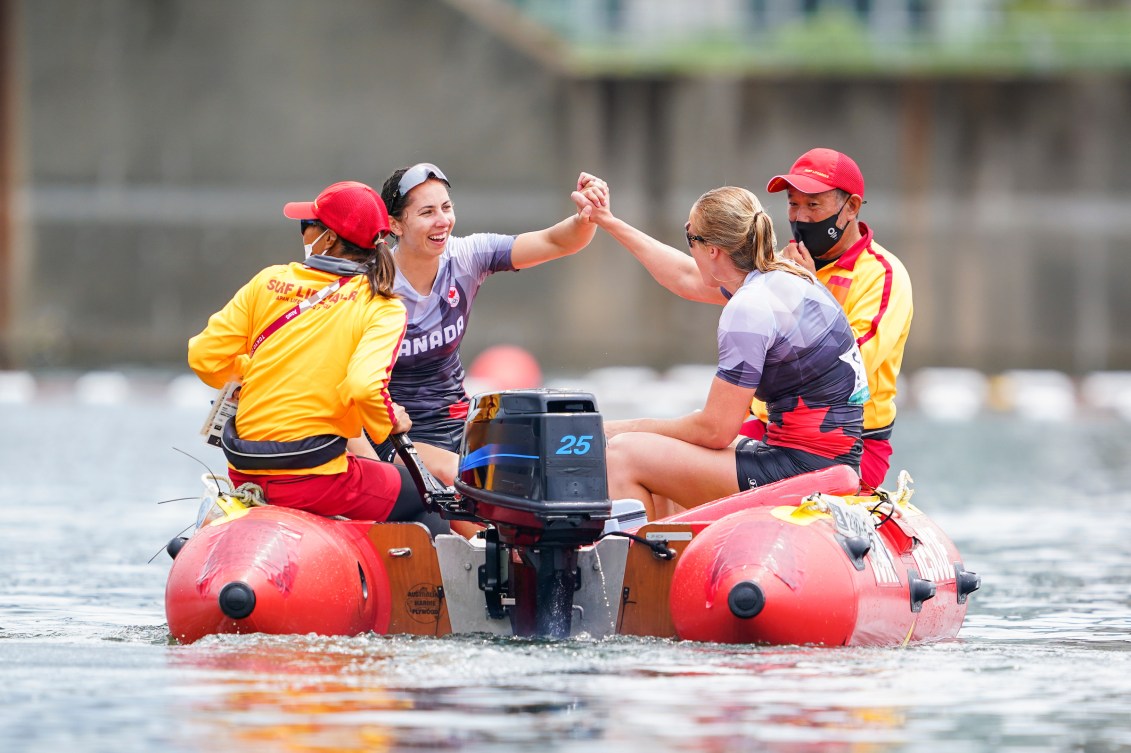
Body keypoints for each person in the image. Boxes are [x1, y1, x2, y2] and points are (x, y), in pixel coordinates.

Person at [571, 182, 869, 517]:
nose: (689, 250)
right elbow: (683, 276)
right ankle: (665, 557)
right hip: (829, 460)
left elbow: (715, 431)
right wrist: (608, 220)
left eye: (690, 238)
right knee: (664, 451)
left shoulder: (748, 309)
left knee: (620, 454)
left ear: (713, 250)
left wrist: (618, 428)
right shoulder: (787, 277)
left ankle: (644, 568)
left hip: (805, 470)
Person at [187, 180, 448, 536]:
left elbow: (204, 356)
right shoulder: (382, 306)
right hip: (314, 480)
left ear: (327, 239)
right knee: (423, 494)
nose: (303, 232)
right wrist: (392, 423)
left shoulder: (269, 281)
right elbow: (364, 386)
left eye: (307, 225)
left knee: (363, 467)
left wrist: (252, 375)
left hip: (244, 467)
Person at [366, 163, 604, 486]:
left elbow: (557, 242)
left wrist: (585, 218)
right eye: (427, 213)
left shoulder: (467, 256)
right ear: (395, 224)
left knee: (555, 462)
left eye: (446, 208)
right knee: (468, 478)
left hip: (458, 422)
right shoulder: (369, 283)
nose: (443, 221)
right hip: (397, 434)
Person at [758, 148, 913, 490]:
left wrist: (808, 290)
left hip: (851, 442)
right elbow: (698, 280)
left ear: (852, 207)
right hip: (767, 427)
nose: (800, 216)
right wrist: (614, 224)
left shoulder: (883, 275)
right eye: (793, 203)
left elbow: (847, 367)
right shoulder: (780, 264)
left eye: (813, 205)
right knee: (665, 465)